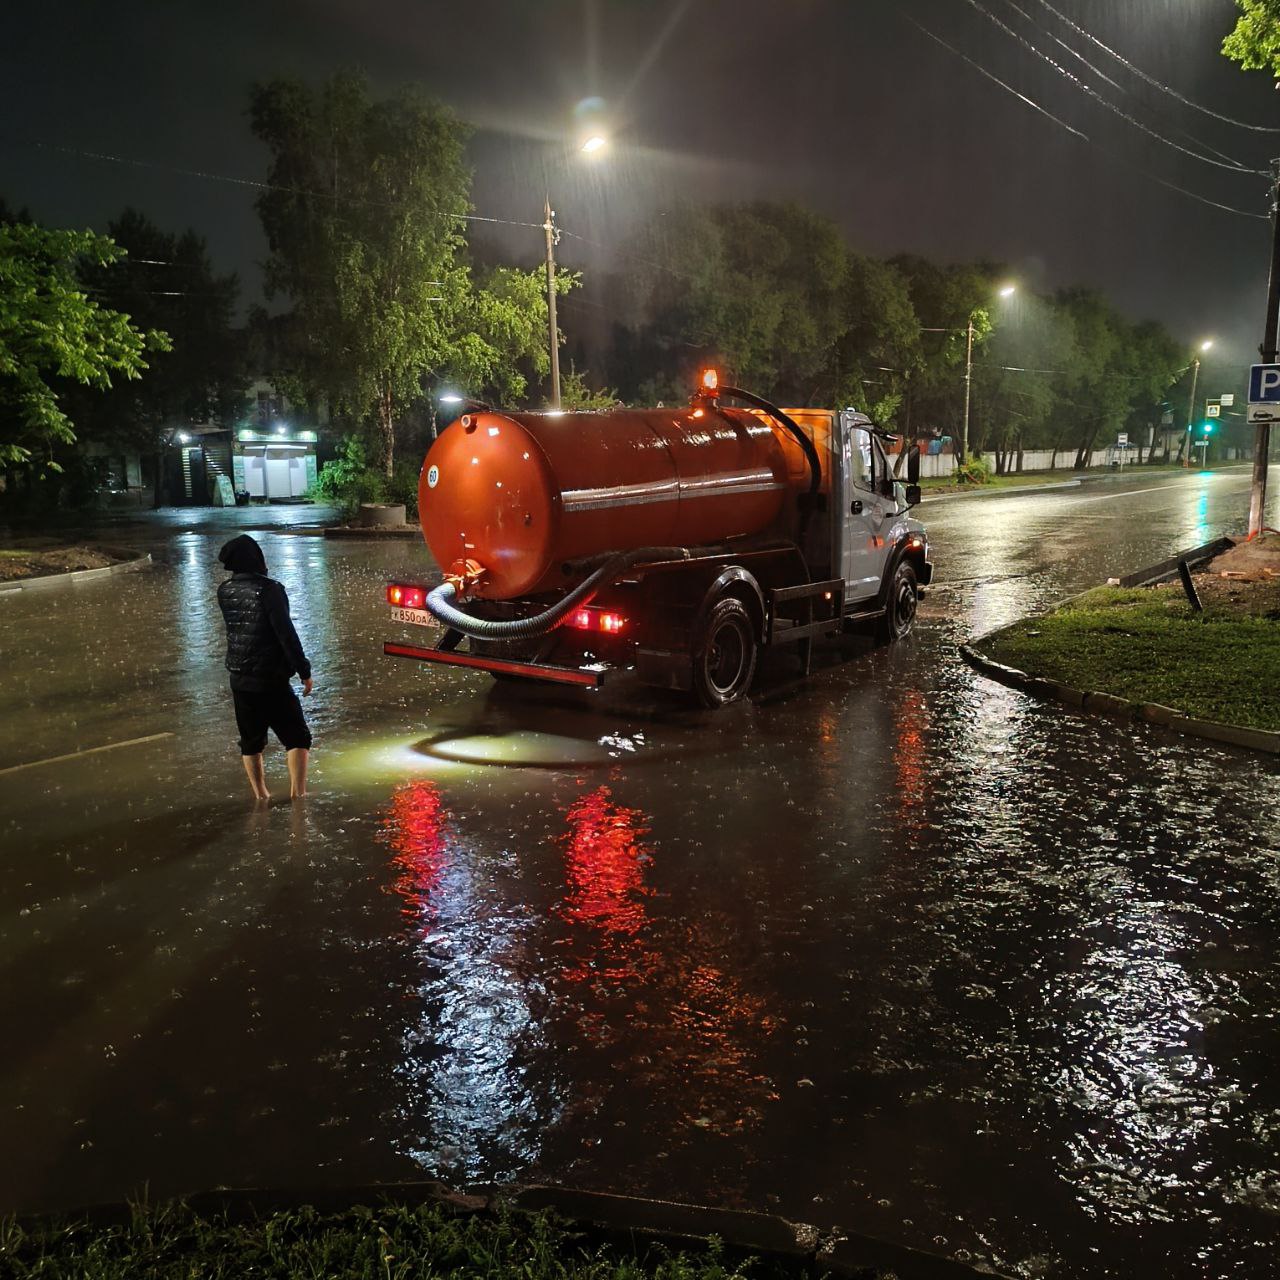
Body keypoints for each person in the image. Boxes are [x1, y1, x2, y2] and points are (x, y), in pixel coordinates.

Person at [216, 534, 313, 801]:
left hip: (239, 678)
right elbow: (286, 634)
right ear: (256, 559)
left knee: (250, 741)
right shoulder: (270, 590)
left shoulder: (224, 591)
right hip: (270, 680)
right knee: (297, 736)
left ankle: (261, 797)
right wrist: (303, 670)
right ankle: (299, 796)